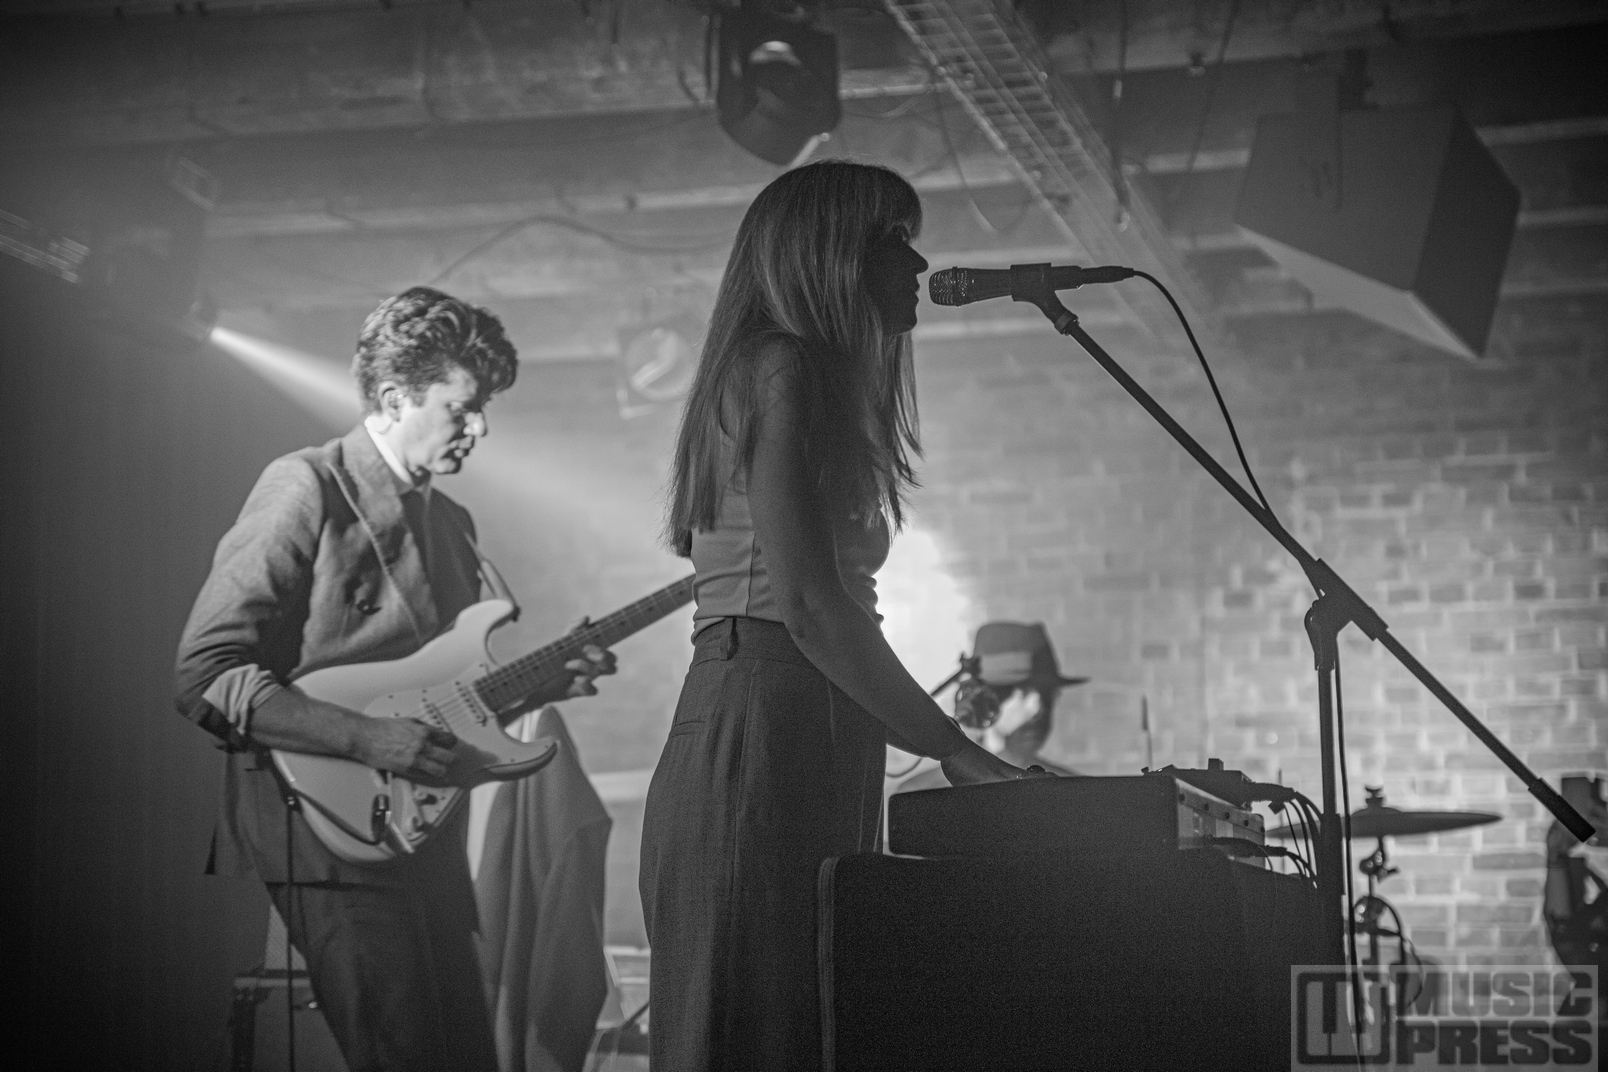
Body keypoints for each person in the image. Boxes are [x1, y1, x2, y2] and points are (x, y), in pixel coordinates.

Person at [640, 159, 1026, 1072]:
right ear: (828, 257)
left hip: (805, 721)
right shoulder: (780, 368)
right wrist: (954, 749)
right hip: (763, 718)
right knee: (754, 1034)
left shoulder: (800, 380)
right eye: (892, 241)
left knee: (807, 1028)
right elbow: (811, 607)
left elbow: (829, 612)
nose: (917, 263)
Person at [174, 286, 616, 1072]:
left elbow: (438, 696)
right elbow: (207, 673)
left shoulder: (452, 523)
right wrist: (368, 739)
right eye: (462, 409)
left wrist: (540, 687)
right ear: (391, 398)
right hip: (322, 826)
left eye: (483, 410)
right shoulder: (305, 485)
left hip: (423, 831)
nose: (480, 429)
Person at [894, 621, 1085, 795]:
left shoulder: (1076, 793)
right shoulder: (921, 794)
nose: (1038, 709)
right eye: (1022, 693)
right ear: (982, 699)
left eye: (1048, 694)